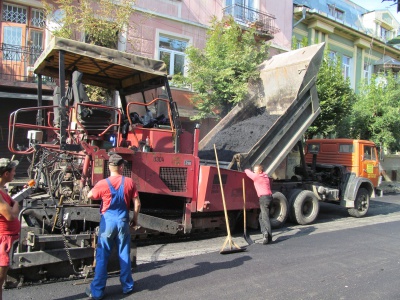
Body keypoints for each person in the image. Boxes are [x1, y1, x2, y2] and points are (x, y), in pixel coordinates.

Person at [85, 154, 141, 300]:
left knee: (102, 256)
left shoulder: (103, 183)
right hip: (123, 222)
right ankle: (127, 286)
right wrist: (134, 220)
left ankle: (97, 291)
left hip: (107, 224)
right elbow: (137, 203)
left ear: (109, 167)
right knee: (124, 254)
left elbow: (90, 195)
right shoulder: (129, 182)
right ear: (121, 167)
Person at [0, 158, 20, 299]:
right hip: (3, 239)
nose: (15, 173)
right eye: (13, 171)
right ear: (6, 173)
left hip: (6, 239)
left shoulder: (2, 191)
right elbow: (10, 216)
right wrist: (16, 204)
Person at [245, 164, 273, 245]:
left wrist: (247, 169)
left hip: (264, 199)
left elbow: (247, 172)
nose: (254, 172)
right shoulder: (265, 176)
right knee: (261, 217)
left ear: (260, 171)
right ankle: (267, 234)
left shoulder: (257, 177)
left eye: (255, 170)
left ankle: (267, 236)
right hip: (270, 198)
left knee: (265, 218)